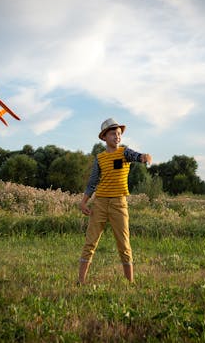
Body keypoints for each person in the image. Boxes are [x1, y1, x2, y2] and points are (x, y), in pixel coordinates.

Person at [78, 118, 152, 285]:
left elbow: (137, 156)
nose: (117, 136)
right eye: (113, 133)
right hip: (100, 204)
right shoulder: (100, 158)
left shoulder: (124, 153)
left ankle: (130, 283)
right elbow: (92, 182)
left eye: (119, 134)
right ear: (104, 137)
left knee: (124, 244)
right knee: (90, 242)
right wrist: (83, 202)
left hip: (119, 204)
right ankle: (80, 281)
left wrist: (145, 157)